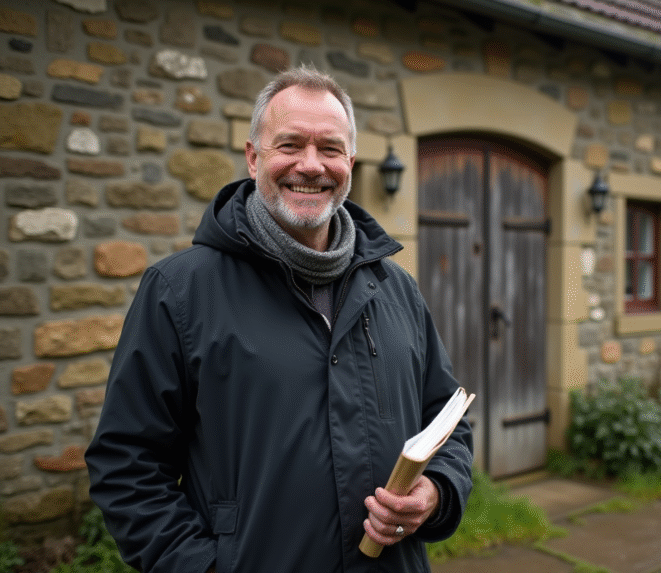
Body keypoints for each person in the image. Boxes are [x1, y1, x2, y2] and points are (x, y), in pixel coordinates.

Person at [85, 66, 473, 573]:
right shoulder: (180, 292)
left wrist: (436, 491)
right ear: (253, 158)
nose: (311, 165)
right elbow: (126, 466)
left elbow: (450, 420)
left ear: (350, 163)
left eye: (330, 149)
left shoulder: (397, 288)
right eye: (290, 145)